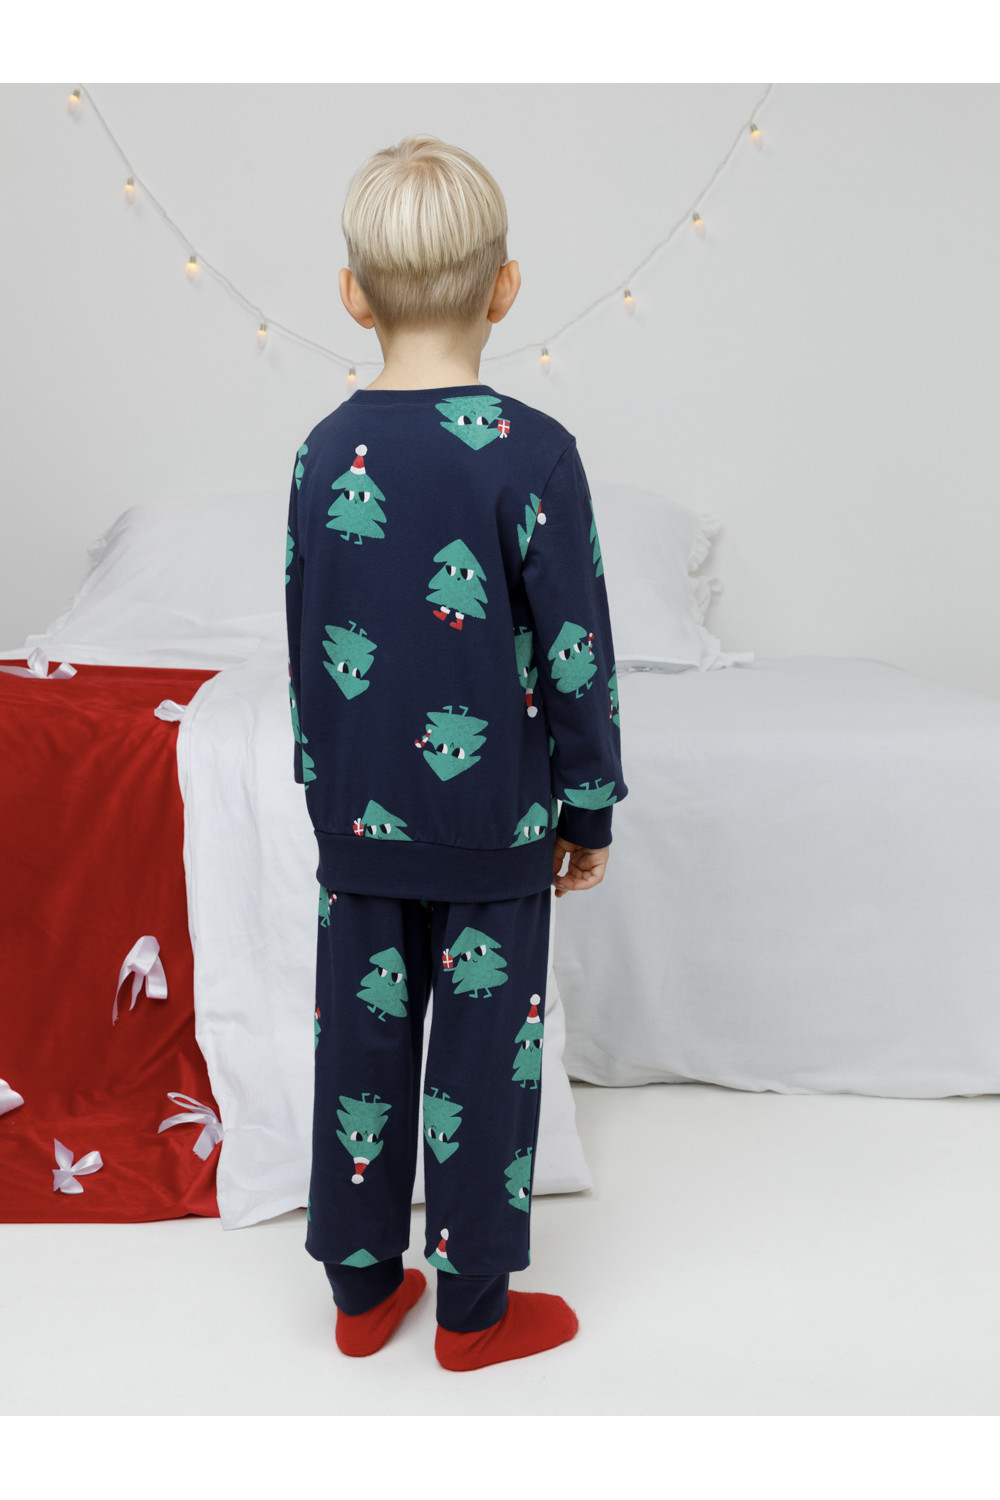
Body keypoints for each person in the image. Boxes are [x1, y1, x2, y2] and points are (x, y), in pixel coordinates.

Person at [284, 135, 627, 1371]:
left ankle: (361, 1293)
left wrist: (324, 789)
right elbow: (576, 649)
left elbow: (307, 633)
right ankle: (475, 1315)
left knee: (359, 1050)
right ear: (506, 287)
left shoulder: (324, 449)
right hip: (492, 828)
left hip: (360, 821)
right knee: (486, 1062)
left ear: (350, 294)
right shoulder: (535, 452)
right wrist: (587, 807)